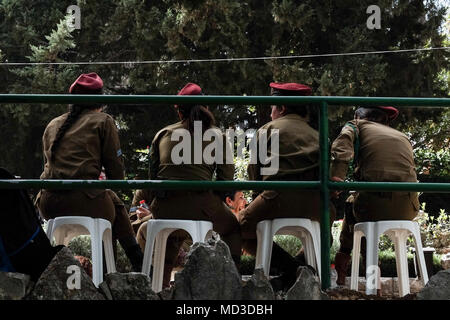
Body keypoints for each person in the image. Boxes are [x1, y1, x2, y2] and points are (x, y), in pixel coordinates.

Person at [135, 82, 241, 289]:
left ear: (178, 110)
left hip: (165, 207)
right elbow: (226, 179)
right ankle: (232, 284)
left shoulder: (162, 134)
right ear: (206, 107)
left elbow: (152, 178)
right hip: (201, 206)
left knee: (170, 236)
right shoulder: (217, 135)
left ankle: (159, 288)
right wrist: (213, 200)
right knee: (233, 228)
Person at [36, 72, 144, 271]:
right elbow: (115, 172)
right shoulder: (103, 121)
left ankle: (127, 264)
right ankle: (116, 270)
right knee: (113, 206)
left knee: (110, 201)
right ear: (100, 100)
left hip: (48, 203)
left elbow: (49, 165)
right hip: (84, 201)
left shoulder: (53, 124)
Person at [238, 82, 336, 290]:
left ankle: (291, 270)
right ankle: (302, 270)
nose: (271, 112)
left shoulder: (267, 130)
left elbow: (254, 174)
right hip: (315, 203)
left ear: (281, 108)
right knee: (323, 234)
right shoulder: (319, 135)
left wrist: (258, 201)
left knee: (239, 228)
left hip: (276, 198)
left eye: (273, 107)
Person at [330, 106, 420, 285]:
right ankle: (365, 278)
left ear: (358, 116)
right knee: (359, 210)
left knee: (354, 210)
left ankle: (353, 275)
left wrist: (336, 178)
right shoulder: (401, 136)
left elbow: (342, 147)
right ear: (386, 121)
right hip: (408, 208)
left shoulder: (356, 125)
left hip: (374, 206)